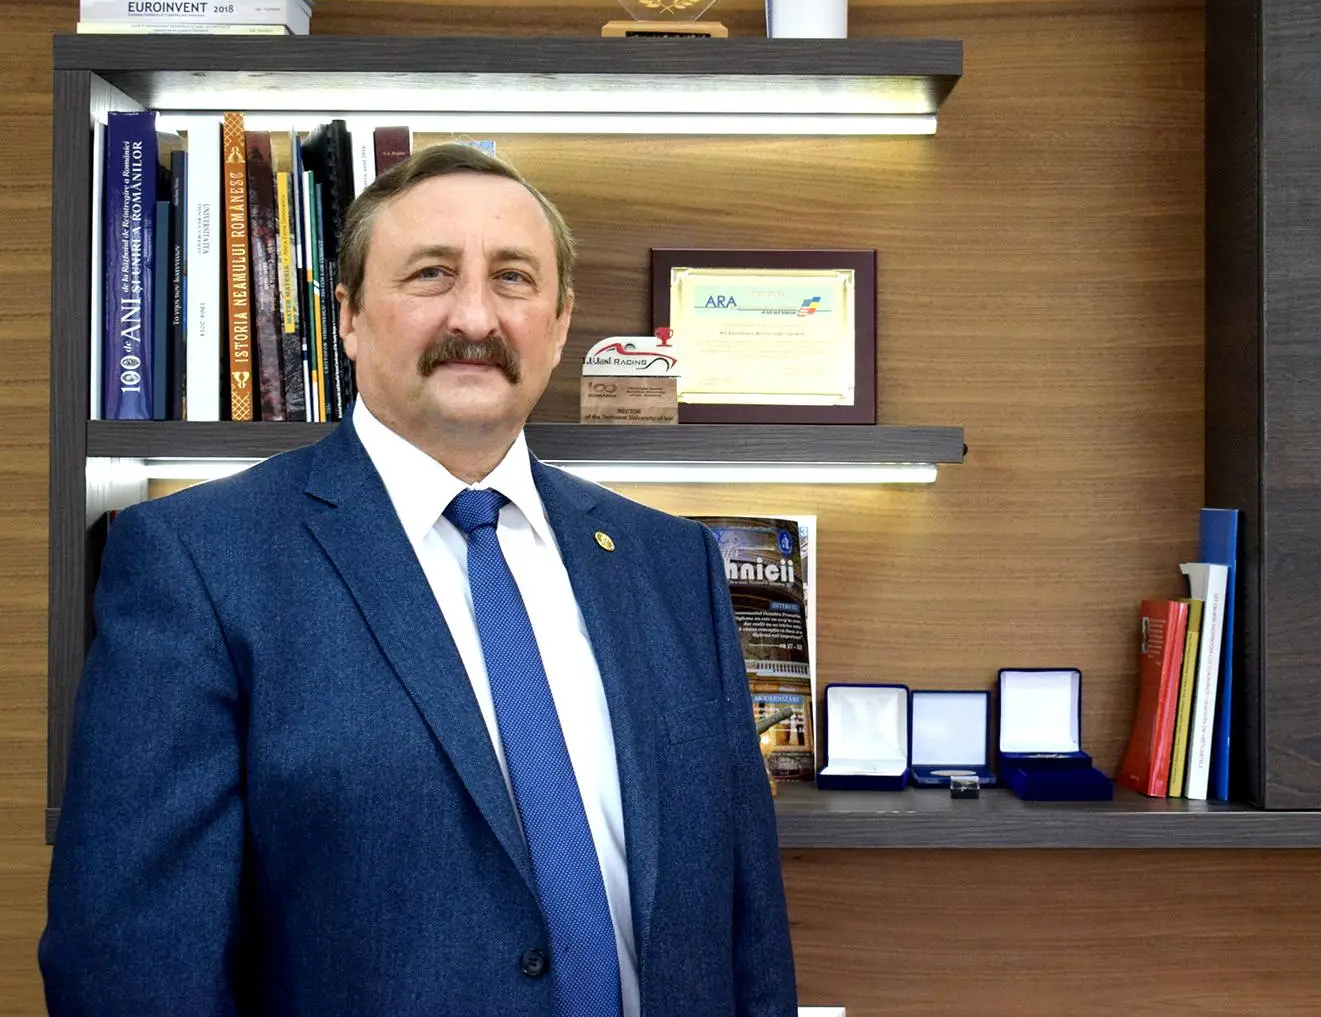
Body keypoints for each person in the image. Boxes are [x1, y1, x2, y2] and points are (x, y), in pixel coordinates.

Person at [40, 143, 798, 1016]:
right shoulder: (199, 563)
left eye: (513, 278)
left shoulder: (671, 562)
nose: (474, 314)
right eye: (431, 273)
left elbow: (751, 927)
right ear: (349, 316)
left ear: (559, 324)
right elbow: (131, 966)